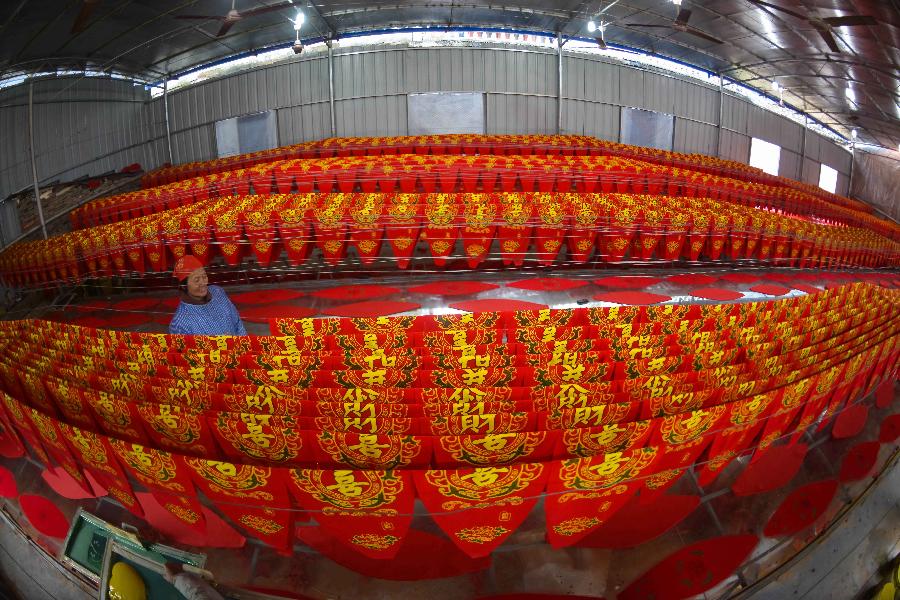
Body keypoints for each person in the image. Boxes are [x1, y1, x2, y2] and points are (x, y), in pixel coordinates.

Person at [168, 255, 246, 336]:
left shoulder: (217, 292)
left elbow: (237, 323)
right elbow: (186, 349)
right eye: (196, 280)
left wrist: (243, 345)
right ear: (184, 286)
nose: (203, 283)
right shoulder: (179, 324)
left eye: (204, 276)